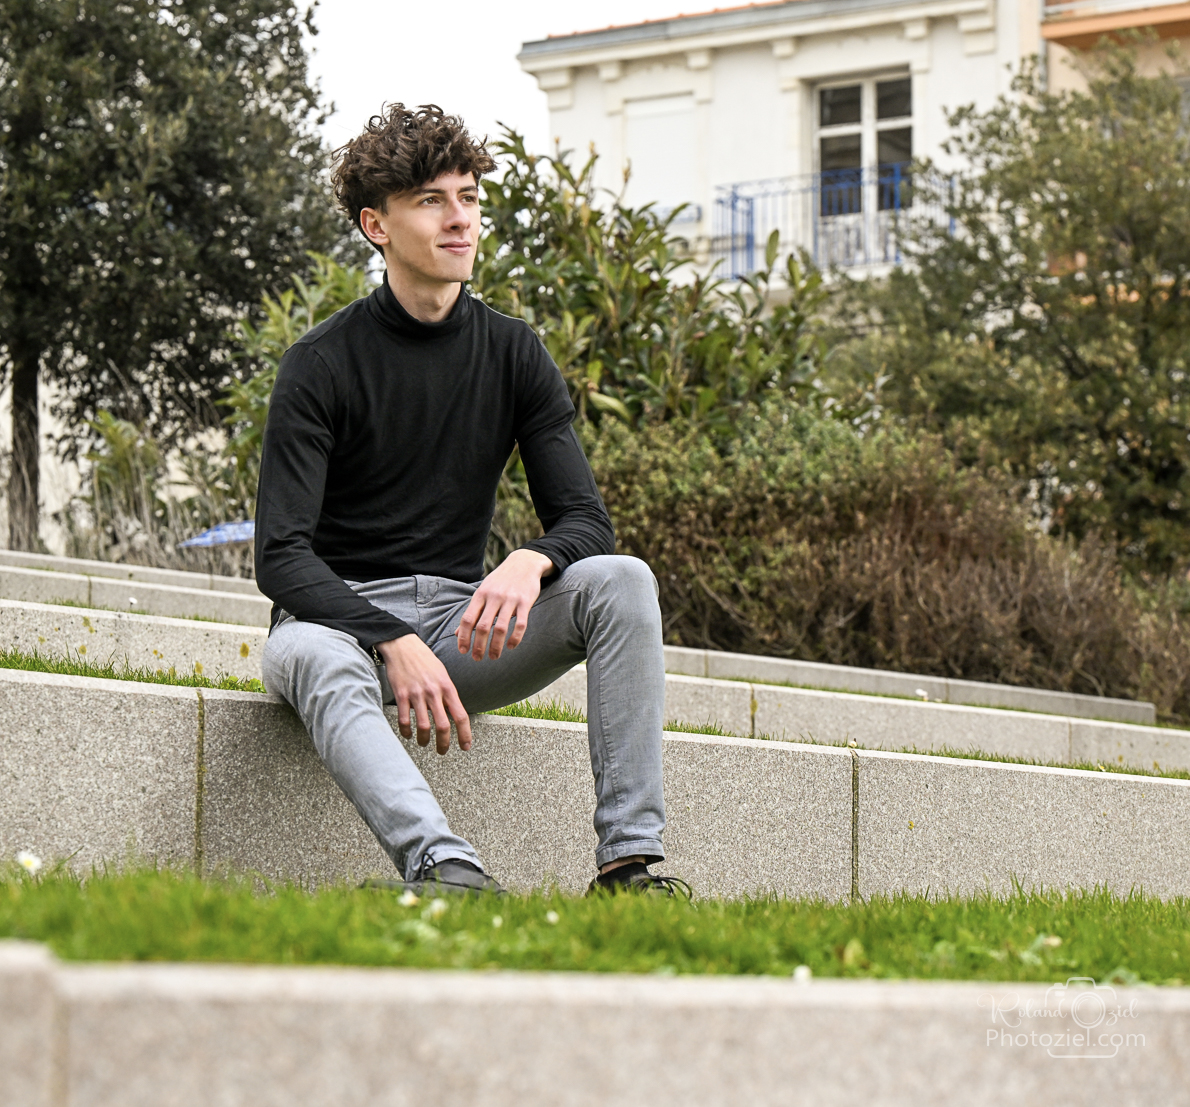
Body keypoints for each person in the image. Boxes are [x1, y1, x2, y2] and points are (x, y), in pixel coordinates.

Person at [255, 103, 687, 898]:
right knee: (317, 655)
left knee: (622, 580)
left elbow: (586, 521)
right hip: (332, 625)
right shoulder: (319, 363)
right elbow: (280, 557)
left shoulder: (515, 352)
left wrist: (533, 558)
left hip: (460, 629)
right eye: (432, 201)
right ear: (376, 226)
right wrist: (387, 634)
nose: (460, 219)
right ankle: (444, 866)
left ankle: (628, 866)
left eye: (469, 197)